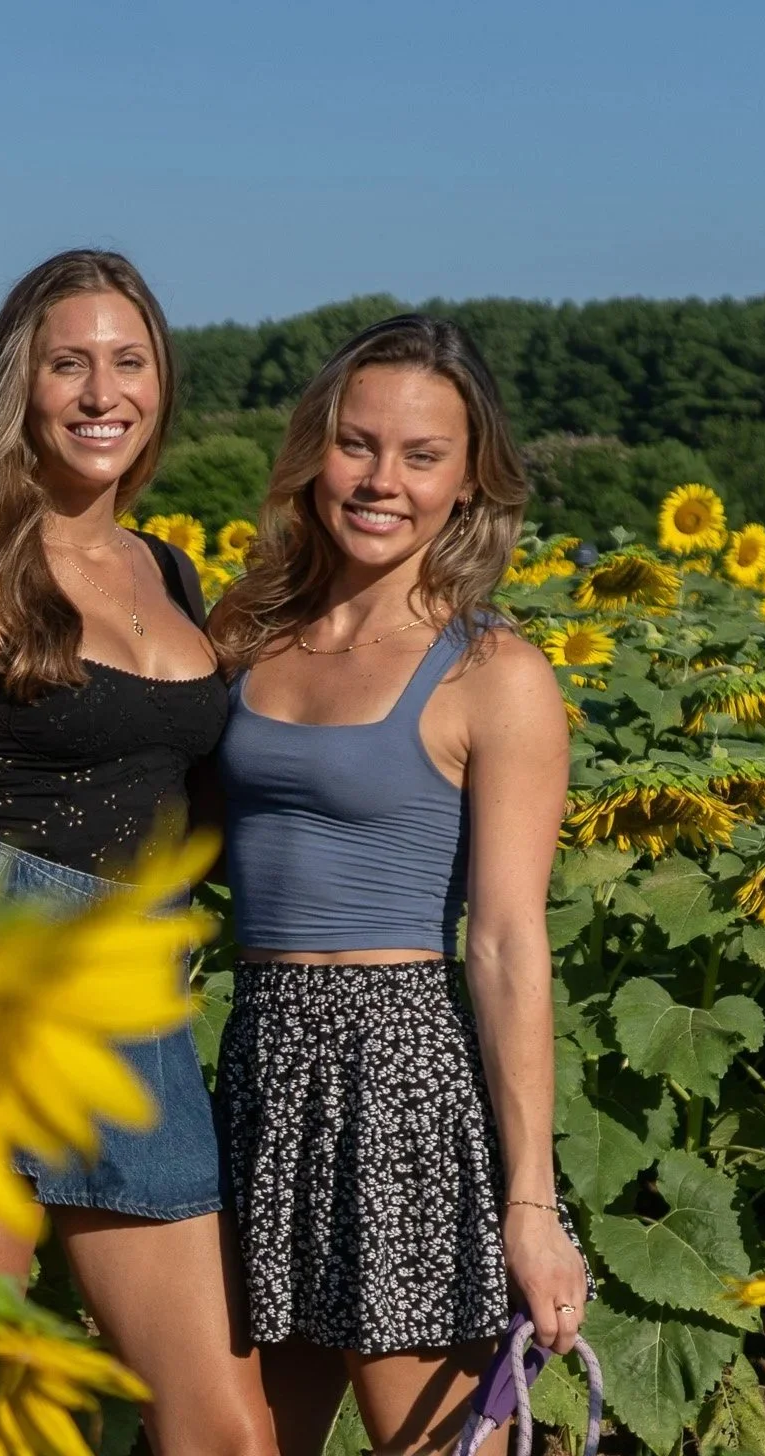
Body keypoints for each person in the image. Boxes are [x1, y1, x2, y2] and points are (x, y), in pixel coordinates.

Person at [0, 248, 276, 1454]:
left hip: (131, 1015)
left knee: (223, 1428)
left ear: (161, 384)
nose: (101, 393)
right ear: (16, 393)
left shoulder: (170, 572)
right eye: (66, 364)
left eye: (126, 363)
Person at [207, 314, 590, 1456]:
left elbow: (509, 945)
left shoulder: (493, 671)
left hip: (401, 1082)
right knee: (229, 1437)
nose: (381, 481)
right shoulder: (245, 630)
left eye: (420, 456)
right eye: (355, 444)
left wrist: (531, 1203)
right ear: (310, 453)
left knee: (418, 1445)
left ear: (468, 482)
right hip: (259, 1061)